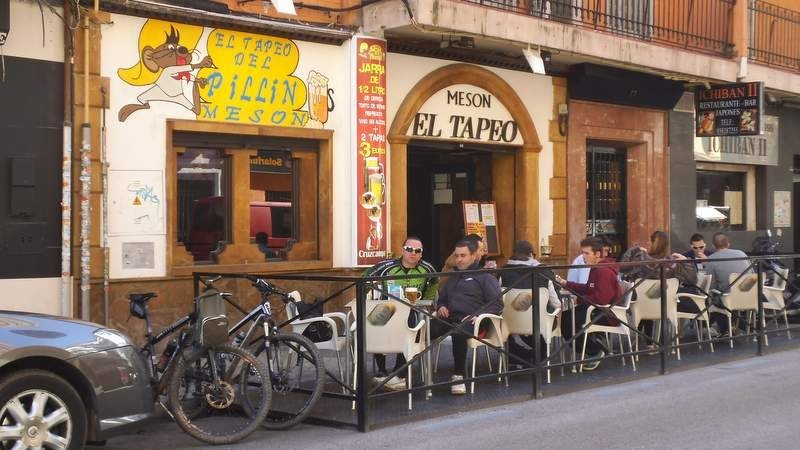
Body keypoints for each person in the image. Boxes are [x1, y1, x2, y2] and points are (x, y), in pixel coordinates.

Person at [363, 236, 439, 390]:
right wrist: (371, 295)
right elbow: (364, 279)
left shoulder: (427, 268)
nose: (413, 253)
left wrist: (427, 300)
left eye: (418, 251)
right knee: (374, 321)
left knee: (410, 320)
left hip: (412, 309)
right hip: (388, 308)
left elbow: (435, 281)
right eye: (409, 249)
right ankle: (382, 371)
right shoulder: (386, 266)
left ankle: (399, 374)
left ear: (421, 254)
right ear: (403, 250)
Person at [431, 239, 503, 394]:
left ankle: (459, 377)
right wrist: (441, 306)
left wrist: (477, 314)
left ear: (473, 256)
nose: (459, 259)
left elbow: (497, 303)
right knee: (424, 329)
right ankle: (403, 374)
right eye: (456, 256)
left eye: (463, 255)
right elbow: (442, 298)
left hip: (475, 321)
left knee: (458, 332)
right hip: (450, 318)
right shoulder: (454, 277)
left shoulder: (485, 277)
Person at [555, 237, 621, 371]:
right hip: (597, 310)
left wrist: (578, 300)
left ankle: (595, 351)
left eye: (586, 253)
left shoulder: (603, 271)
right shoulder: (596, 268)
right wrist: (566, 284)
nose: (583, 257)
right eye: (582, 253)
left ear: (597, 254)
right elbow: (588, 288)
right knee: (567, 318)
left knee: (569, 322)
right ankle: (595, 347)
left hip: (606, 314)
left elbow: (601, 299)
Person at [499, 240, 561, 366]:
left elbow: (499, 300)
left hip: (510, 322)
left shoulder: (503, 273)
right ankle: (538, 357)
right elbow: (557, 304)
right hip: (541, 323)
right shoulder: (545, 272)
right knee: (539, 321)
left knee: (508, 321)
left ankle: (517, 357)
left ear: (513, 254)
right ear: (532, 254)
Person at [705, 232, 752, 335]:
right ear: (728, 243)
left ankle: (723, 328)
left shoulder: (712, 258)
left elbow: (709, 285)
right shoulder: (742, 253)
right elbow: (752, 274)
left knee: (712, 297)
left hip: (729, 300)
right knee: (722, 294)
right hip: (750, 297)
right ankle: (733, 326)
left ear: (713, 246)